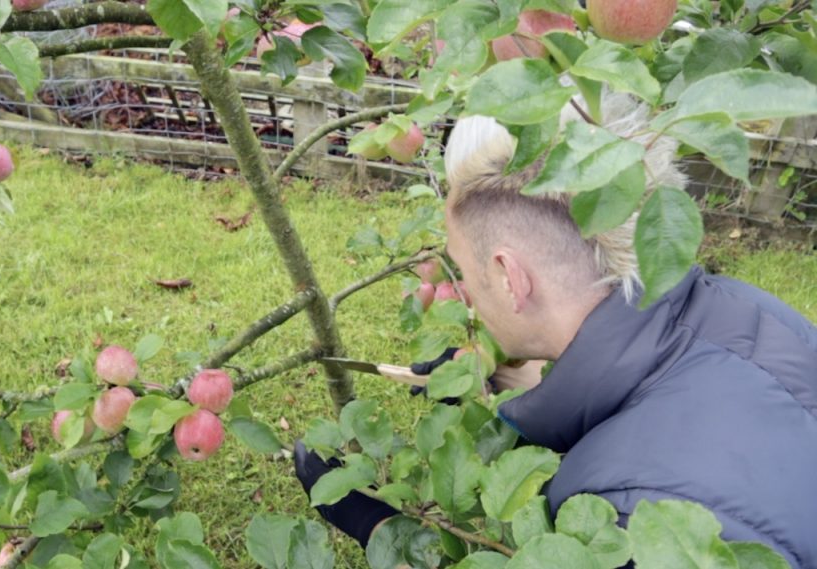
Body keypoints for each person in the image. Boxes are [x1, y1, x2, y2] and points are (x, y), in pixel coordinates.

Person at [293, 95, 817, 568]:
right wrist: (503, 377)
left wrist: (383, 533)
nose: (468, 296)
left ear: (509, 277)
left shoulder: (635, 524)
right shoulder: (751, 313)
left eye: (466, 275)